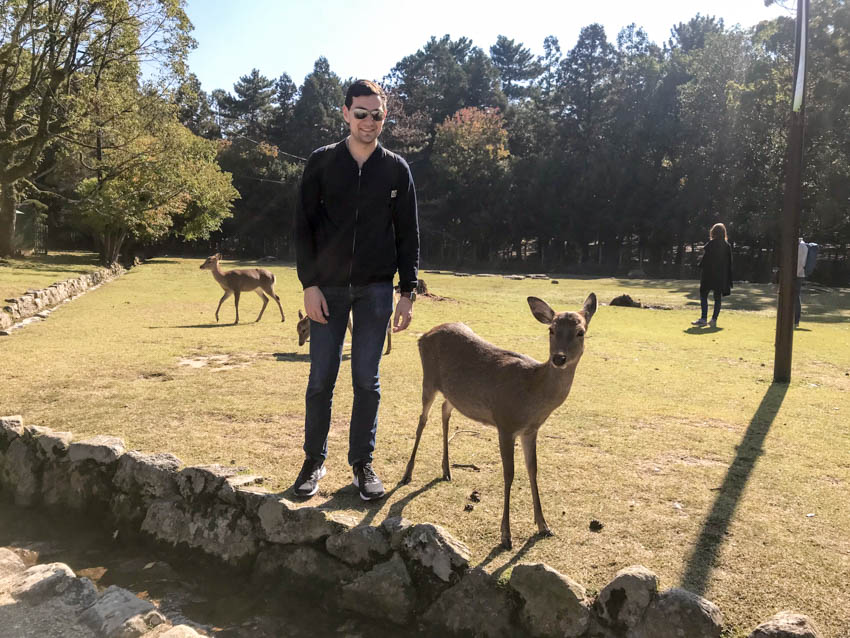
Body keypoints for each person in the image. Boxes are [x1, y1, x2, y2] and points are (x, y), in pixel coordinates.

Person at [293, 79, 419, 501]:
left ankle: (362, 465)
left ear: (385, 116)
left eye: (377, 114)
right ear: (345, 113)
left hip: (376, 291)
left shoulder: (397, 169)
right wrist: (309, 285)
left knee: (367, 379)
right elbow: (303, 228)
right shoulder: (321, 162)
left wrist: (407, 292)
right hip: (326, 289)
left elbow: (408, 236)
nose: (369, 122)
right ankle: (313, 461)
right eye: (361, 113)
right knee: (320, 380)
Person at [692, 223, 733, 328]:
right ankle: (714, 319)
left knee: (704, 295)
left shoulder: (711, 244)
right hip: (721, 276)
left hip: (709, 275)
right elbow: (729, 263)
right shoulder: (727, 246)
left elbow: (705, 260)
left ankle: (703, 318)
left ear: (713, 232)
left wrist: (699, 264)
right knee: (717, 298)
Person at [794, 237, 808, 328]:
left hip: (797, 275)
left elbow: (800, 262)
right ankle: (795, 320)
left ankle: (795, 320)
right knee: (795, 297)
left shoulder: (801, 246)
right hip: (799, 274)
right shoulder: (803, 245)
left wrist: (793, 274)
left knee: (795, 297)